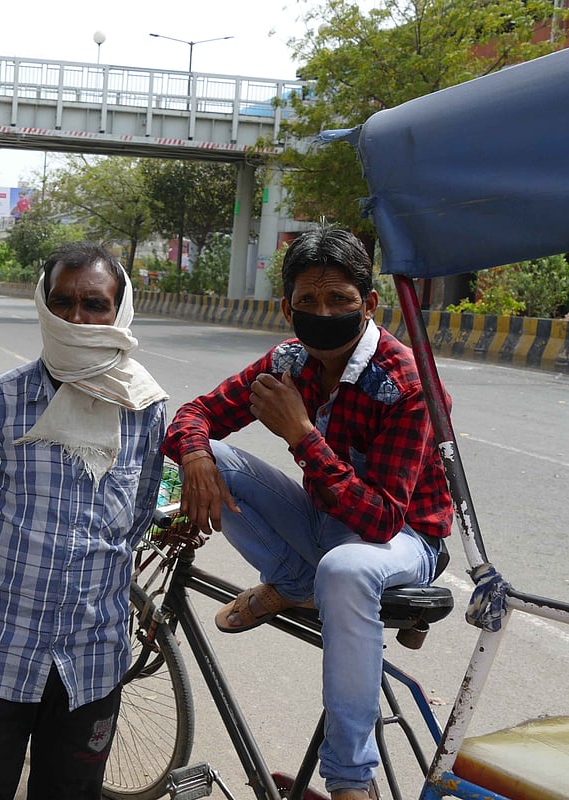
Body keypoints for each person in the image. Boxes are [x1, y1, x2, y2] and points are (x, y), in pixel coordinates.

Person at [162, 224, 453, 800]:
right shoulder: (288, 362)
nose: (324, 312)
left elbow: (381, 520)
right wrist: (194, 453)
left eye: (340, 300)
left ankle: (351, 780)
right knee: (208, 456)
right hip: (327, 522)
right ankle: (294, 581)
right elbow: (194, 415)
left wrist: (300, 435)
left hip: (403, 540)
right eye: (309, 302)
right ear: (288, 310)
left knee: (344, 569)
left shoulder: (405, 384)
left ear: (368, 304)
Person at [0, 241, 168, 800]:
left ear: (120, 311)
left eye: (95, 304)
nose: (77, 318)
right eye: (63, 301)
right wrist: (3, 592)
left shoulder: (145, 408)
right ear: (43, 304)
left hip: (93, 654)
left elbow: (138, 514)